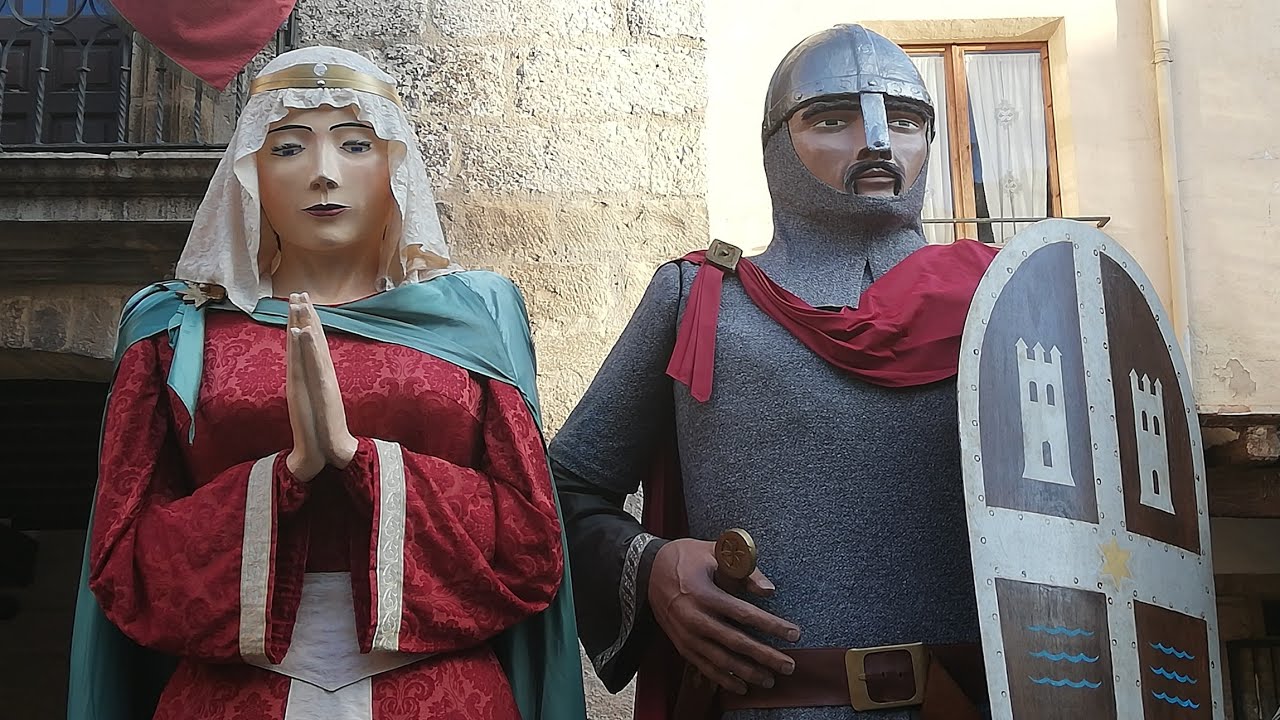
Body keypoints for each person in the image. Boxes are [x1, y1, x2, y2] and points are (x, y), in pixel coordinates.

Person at [66, 46, 586, 720]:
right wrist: (285, 476)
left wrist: (361, 459)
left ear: (394, 165)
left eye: (354, 145)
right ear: (250, 170)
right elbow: (123, 558)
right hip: (233, 693)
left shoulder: (476, 319)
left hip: (439, 694)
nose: (322, 174)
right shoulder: (172, 329)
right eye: (287, 149)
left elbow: (531, 539)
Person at [550, 25, 999, 720]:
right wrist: (652, 563)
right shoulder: (697, 296)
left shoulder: (1012, 301)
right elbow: (563, 488)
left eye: (904, 119)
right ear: (776, 145)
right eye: (832, 118)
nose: (877, 141)